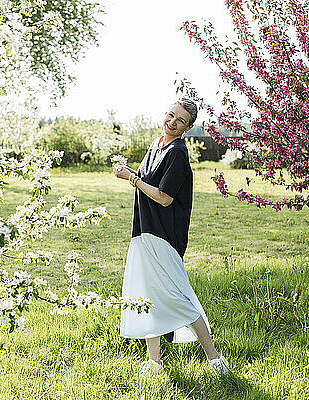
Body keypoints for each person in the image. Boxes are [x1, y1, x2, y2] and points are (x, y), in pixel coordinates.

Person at [113, 98, 229, 376]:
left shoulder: (177, 152)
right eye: (170, 115)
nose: (172, 122)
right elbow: (146, 180)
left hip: (164, 235)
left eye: (180, 120)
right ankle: (154, 363)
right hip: (142, 231)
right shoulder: (156, 145)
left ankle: (215, 359)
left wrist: (133, 180)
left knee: (177, 297)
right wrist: (128, 172)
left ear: (187, 128)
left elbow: (164, 197)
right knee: (145, 297)